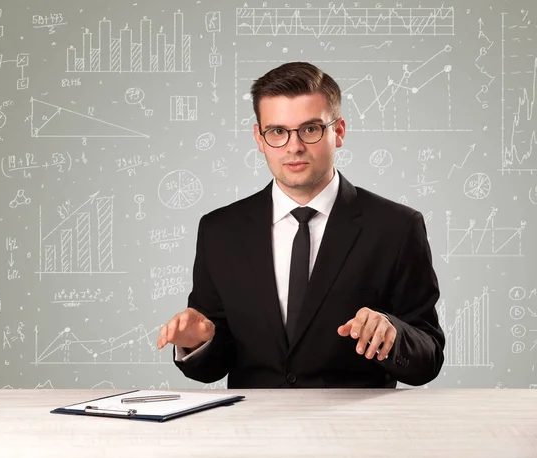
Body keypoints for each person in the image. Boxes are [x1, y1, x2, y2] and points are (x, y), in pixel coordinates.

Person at [157, 62, 445, 388]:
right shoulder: (219, 231)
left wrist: (392, 333)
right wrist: (199, 341)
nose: (293, 147)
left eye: (310, 129)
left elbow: (428, 357)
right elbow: (212, 367)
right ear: (260, 139)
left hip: (355, 430)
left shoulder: (397, 227)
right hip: (252, 429)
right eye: (278, 132)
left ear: (338, 132)